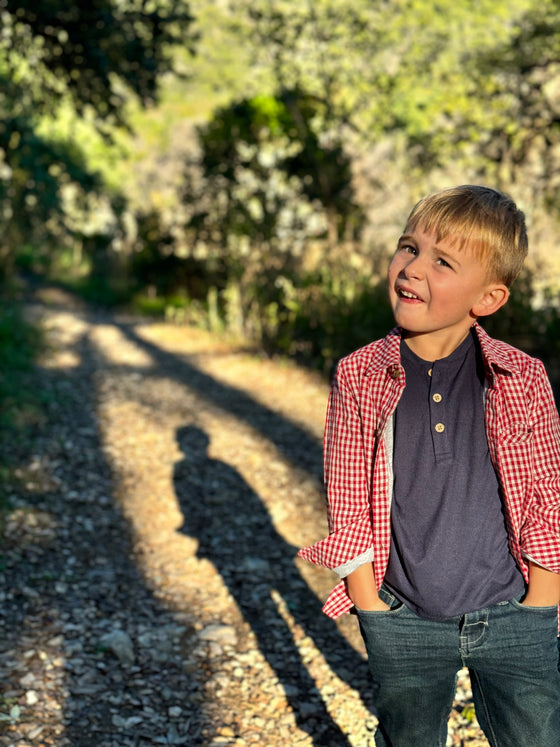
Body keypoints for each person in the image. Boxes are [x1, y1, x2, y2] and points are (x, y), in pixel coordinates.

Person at [298, 185, 560, 746]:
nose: (413, 269)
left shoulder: (521, 378)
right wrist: (373, 610)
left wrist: (541, 601)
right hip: (404, 617)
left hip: (513, 611)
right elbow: (346, 504)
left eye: (442, 262)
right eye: (408, 248)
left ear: (487, 298)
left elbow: (546, 498)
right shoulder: (359, 375)